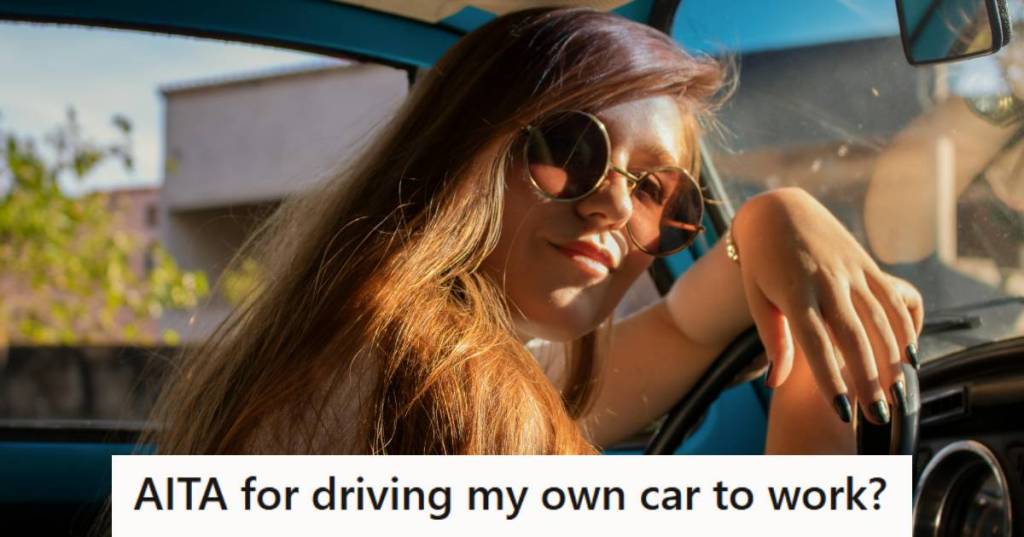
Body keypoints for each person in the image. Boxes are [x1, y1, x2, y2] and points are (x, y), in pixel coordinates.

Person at [146, 7, 924, 455]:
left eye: (662, 192)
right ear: (457, 154)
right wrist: (834, 378)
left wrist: (774, 216)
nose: (617, 209)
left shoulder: (386, 338)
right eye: (568, 149)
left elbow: (687, 326)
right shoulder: (441, 385)